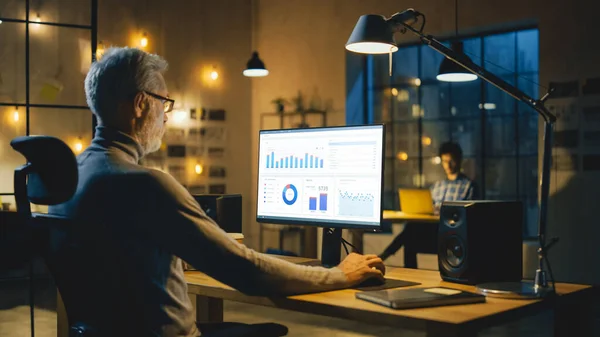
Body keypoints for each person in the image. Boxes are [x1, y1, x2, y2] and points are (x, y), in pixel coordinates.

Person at [48, 47, 385, 337]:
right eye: (163, 103)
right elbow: (247, 271)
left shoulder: (67, 179)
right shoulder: (147, 184)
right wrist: (339, 274)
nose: (166, 117)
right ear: (140, 104)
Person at [378, 141, 477, 265]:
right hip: (433, 229)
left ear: (459, 160)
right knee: (410, 231)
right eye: (445, 161)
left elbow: (468, 214)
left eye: (451, 160)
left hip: (450, 231)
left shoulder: (468, 185)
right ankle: (404, 269)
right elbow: (428, 206)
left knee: (410, 232)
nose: (448, 165)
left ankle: (383, 256)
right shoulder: (438, 186)